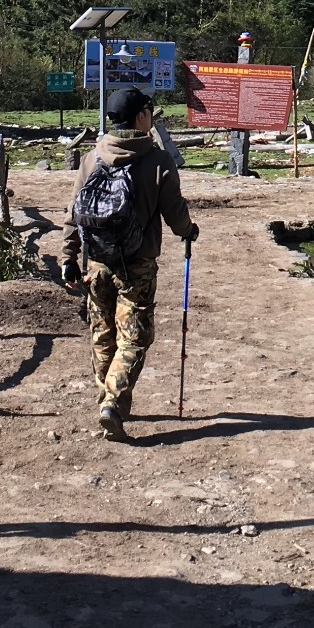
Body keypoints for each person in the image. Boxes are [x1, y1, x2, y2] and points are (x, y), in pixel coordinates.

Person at [60, 86, 197, 441]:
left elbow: (74, 213)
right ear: (140, 116)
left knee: (102, 332)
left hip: (97, 262)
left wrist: (67, 258)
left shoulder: (93, 157)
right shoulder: (156, 160)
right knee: (135, 337)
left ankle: (106, 399)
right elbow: (175, 214)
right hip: (136, 265)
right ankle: (113, 403)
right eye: (149, 110)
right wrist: (189, 231)